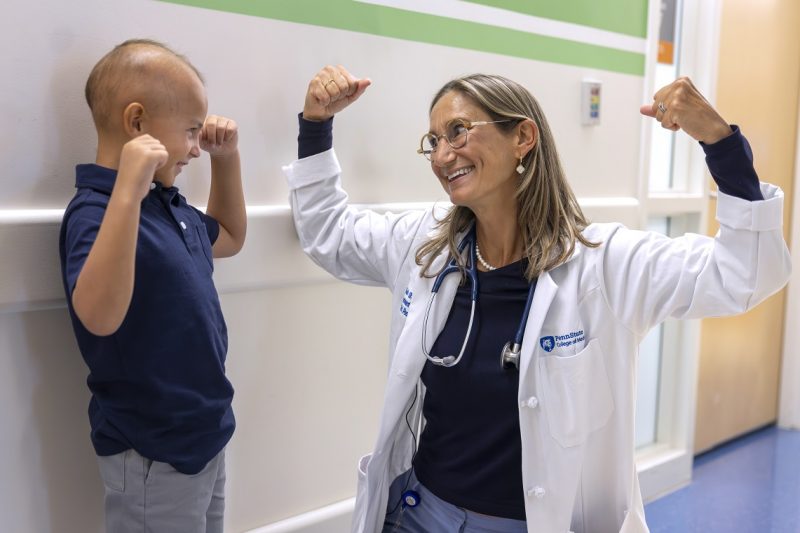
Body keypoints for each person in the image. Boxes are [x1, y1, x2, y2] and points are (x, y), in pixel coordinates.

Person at [283, 65, 790, 533]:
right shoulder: (426, 247)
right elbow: (329, 232)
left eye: (458, 132)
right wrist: (315, 122)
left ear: (522, 137)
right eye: (433, 141)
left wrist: (719, 142)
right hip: (420, 513)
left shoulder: (605, 265)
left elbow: (745, 274)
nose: (441, 156)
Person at [58, 39, 246, 533]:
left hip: (205, 435)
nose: (194, 147)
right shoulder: (95, 211)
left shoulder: (170, 206)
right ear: (137, 124)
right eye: (189, 132)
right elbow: (98, 316)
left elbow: (228, 236)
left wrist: (227, 160)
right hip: (151, 453)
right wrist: (127, 187)